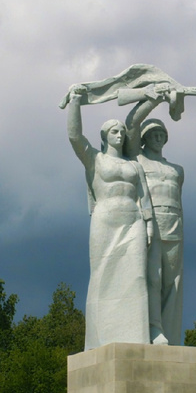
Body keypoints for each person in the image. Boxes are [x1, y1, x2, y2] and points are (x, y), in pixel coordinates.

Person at [64, 87, 157, 348]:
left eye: (121, 131)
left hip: (133, 221)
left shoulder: (134, 166)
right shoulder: (95, 159)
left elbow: (144, 196)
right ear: (105, 136)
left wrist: (149, 224)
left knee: (136, 276)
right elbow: (74, 136)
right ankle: (99, 339)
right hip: (105, 219)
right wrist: (75, 102)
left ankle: (135, 337)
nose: (119, 135)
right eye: (113, 131)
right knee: (102, 275)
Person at [127, 109, 185, 346]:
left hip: (175, 225)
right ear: (144, 138)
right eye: (153, 134)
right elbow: (131, 124)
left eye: (162, 133)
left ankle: (170, 333)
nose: (158, 137)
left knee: (173, 282)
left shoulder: (177, 170)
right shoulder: (136, 161)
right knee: (154, 280)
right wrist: (153, 99)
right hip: (150, 226)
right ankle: (153, 329)